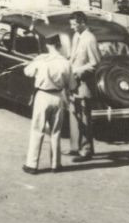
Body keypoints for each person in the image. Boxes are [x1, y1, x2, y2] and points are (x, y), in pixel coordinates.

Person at [21, 38, 73, 174]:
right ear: (59, 45)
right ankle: (56, 165)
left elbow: (27, 72)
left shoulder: (42, 60)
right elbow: (72, 84)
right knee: (56, 132)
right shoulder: (66, 63)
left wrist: (33, 62)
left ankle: (32, 165)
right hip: (58, 97)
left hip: (43, 96)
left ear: (47, 45)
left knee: (37, 130)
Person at [64, 12, 102, 161]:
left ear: (82, 23)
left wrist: (78, 72)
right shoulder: (76, 36)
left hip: (84, 84)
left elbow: (96, 63)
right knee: (74, 115)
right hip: (73, 83)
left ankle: (86, 150)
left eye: (74, 24)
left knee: (84, 117)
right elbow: (73, 57)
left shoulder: (90, 39)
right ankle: (75, 147)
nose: (72, 27)